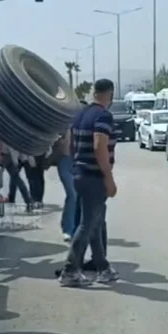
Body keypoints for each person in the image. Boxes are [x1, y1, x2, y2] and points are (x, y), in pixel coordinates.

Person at [58, 78, 119, 287]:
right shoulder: (103, 116)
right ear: (109, 94)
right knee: (87, 224)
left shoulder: (81, 115)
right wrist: (109, 178)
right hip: (94, 178)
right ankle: (70, 271)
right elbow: (99, 146)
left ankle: (103, 268)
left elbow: (71, 146)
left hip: (80, 174)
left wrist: (77, 166)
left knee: (96, 222)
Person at [0, 142, 34, 213]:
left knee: (15, 178)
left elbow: (11, 149)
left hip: (3, 155)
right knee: (16, 178)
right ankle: (27, 201)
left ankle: (27, 201)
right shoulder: (12, 135)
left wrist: (15, 161)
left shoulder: (5, 135)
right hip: (8, 156)